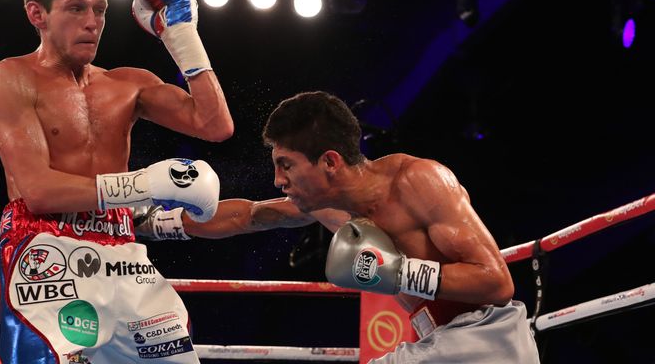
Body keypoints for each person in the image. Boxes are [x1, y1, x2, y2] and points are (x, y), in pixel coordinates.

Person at [136, 91, 540, 363]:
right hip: (440, 342)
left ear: (329, 162)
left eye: (287, 165)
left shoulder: (419, 182)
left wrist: (399, 273)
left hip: (488, 340)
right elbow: (248, 216)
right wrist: (151, 224)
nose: (279, 180)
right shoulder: (333, 208)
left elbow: (496, 283)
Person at [0, 0, 233, 363]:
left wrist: (182, 35)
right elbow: (39, 191)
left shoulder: (127, 84)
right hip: (46, 248)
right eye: (76, 7)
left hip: (122, 251)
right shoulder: (10, 77)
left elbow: (214, 124)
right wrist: (146, 185)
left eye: (100, 9)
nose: (92, 21)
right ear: (37, 14)